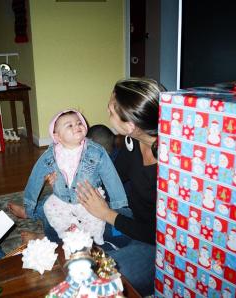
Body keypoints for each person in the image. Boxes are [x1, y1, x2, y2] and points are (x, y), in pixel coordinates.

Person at [76, 78, 165, 296]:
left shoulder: (169, 168)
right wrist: (69, 178)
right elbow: (112, 176)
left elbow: (159, 234)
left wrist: (106, 214)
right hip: (130, 218)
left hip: (156, 245)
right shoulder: (132, 141)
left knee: (95, 279)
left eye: (111, 111)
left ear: (130, 126)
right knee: (68, 220)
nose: (107, 111)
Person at [9, 109, 128, 245]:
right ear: (57, 137)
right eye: (69, 125)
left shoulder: (95, 152)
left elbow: (110, 176)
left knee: (95, 220)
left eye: (79, 123)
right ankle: (69, 232)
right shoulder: (50, 155)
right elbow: (35, 177)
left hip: (88, 199)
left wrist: (120, 204)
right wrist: (29, 203)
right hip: (61, 199)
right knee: (50, 208)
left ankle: (92, 241)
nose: (77, 126)